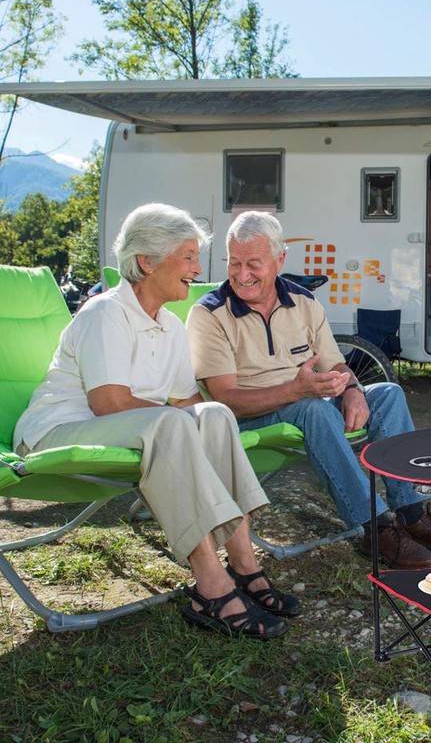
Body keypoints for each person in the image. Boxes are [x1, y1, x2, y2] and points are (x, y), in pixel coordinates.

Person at [13, 203, 299, 641]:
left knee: (214, 414)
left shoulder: (170, 326)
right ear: (147, 261)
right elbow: (110, 402)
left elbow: (187, 402)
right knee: (172, 423)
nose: (197, 269)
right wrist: (177, 422)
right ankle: (211, 588)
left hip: (121, 433)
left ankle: (245, 566)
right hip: (56, 434)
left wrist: (207, 421)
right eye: (187, 256)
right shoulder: (105, 313)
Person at [186, 211, 431, 569]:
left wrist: (352, 389)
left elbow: (336, 364)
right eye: (234, 263)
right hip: (249, 419)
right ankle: (376, 528)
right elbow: (225, 400)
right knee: (315, 408)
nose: (242, 275)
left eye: (253, 264)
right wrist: (296, 391)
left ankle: (412, 513)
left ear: (280, 259)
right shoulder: (209, 314)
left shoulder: (303, 301)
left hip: (304, 400)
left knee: (387, 395)